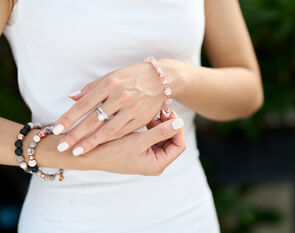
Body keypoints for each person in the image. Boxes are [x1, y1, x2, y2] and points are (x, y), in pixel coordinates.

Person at [0, 0, 263, 232]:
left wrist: (168, 76)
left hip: (186, 213)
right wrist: (74, 153)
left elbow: (248, 91)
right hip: (68, 219)